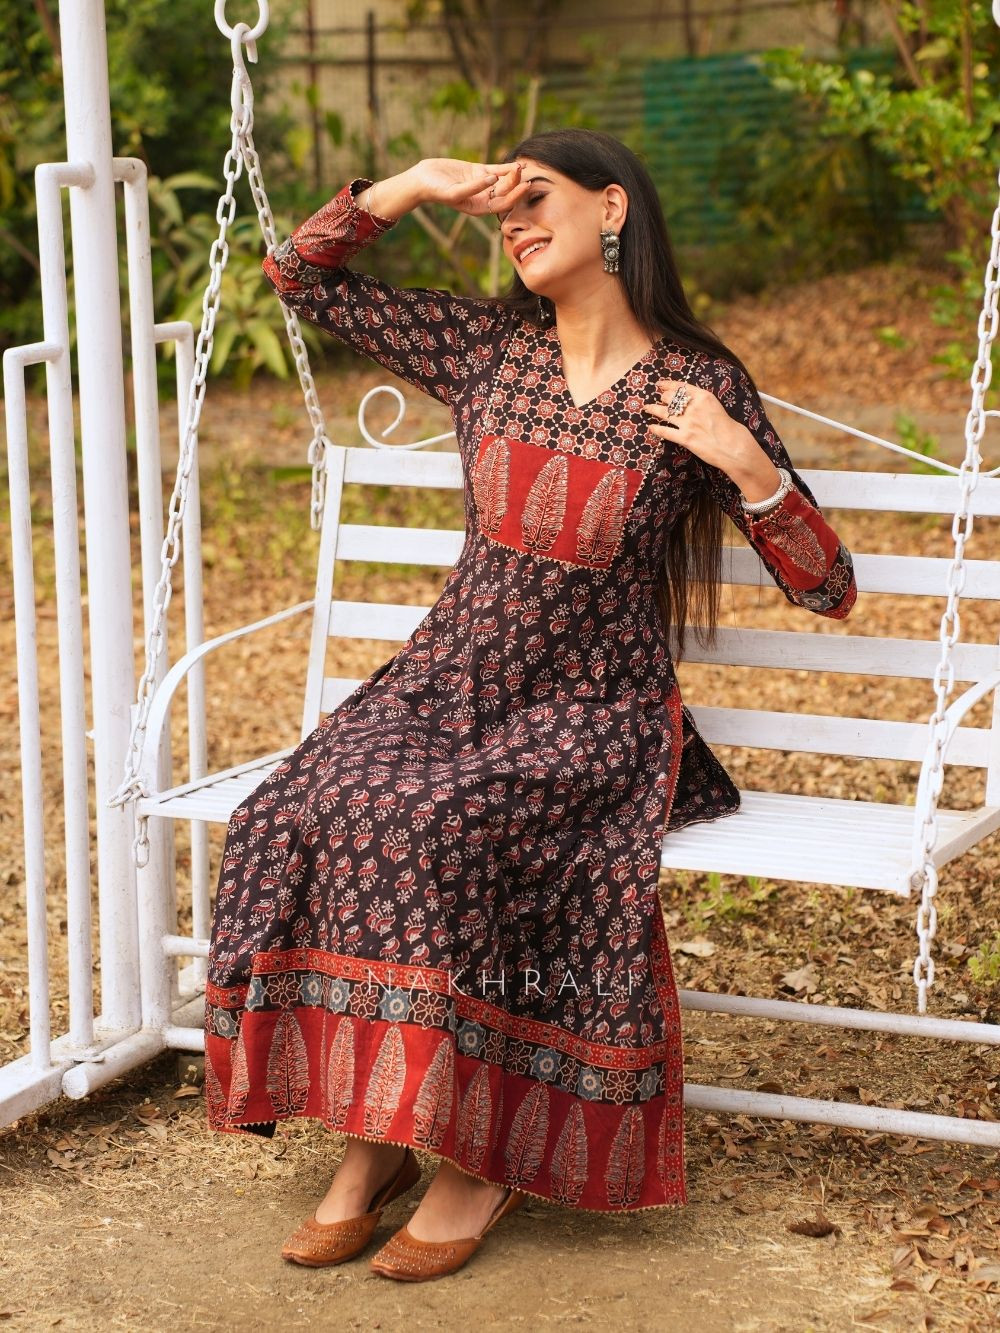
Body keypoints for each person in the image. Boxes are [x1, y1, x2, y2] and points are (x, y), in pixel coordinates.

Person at [203, 129, 856, 1282]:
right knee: (303, 806)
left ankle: (478, 1157)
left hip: (592, 707)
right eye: (503, 207)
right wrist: (414, 186)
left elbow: (828, 587)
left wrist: (749, 469)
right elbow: (298, 276)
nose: (513, 221)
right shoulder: (487, 347)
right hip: (447, 679)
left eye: (536, 197)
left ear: (612, 210)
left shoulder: (697, 386)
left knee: (438, 820)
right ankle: (376, 1139)